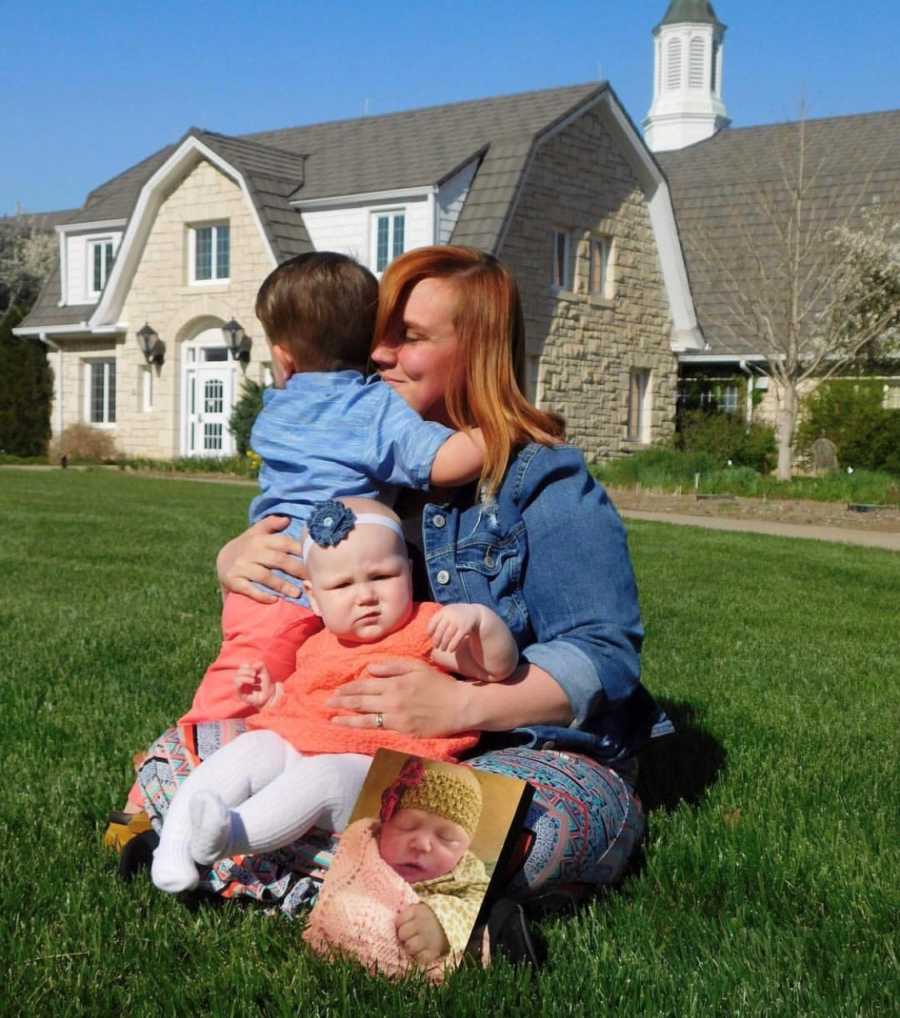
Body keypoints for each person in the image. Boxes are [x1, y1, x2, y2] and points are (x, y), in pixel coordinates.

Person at [127, 245, 669, 905]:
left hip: (505, 748)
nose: (377, 354)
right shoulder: (365, 474)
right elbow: (306, 612)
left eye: (406, 338)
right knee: (192, 748)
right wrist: (235, 563)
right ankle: (397, 892)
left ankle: (264, 863)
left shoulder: (544, 479)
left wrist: (463, 706)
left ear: (476, 351)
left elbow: (605, 655)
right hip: (350, 745)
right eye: (377, 336)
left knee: (552, 822)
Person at [175, 251, 486, 732]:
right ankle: (174, 789)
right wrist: (505, 429)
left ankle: (219, 775)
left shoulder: (278, 405)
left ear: (283, 357)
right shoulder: (369, 407)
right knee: (233, 702)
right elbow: (446, 462)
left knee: (258, 689)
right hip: (296, 586)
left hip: (267, 575)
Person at [150, 498, 518, 894]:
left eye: (382, 576)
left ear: (409, 573)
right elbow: (307, 702)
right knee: (252, 747)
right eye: (342, 585)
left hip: (383, 774)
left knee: (323, 776)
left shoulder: (426, 627)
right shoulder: (319, 642)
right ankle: (173, 847)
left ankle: (230, 837)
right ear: (313, 596)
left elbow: (497, 666)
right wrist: (272, 698)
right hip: (308, 749)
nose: (365, 596)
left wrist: (481, 623)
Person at [304, 756, 489, 981]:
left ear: (464, 850)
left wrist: (442, 923)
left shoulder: (466, 873)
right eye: (407, 826)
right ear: (385, 824)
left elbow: (477, 906)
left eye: (446, 838)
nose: (422, 844)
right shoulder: (364, 844)